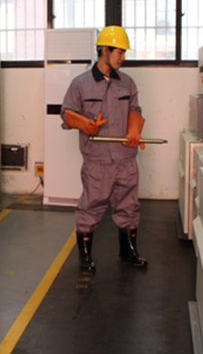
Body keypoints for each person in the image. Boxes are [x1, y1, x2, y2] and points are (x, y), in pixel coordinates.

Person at [60, 26, 148, 272]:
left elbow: (135, 110)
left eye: (124, 52)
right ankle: (85, 255)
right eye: (119, 52)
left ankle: (128, 251)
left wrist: (134, 131)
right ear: (105, 50)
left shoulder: (127, 83)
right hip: (97, 159)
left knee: (128, 205)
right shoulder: (80, 84)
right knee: (91, 205)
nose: (123, 57)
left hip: (125, 157)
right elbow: (67, 114)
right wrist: (86, 125)